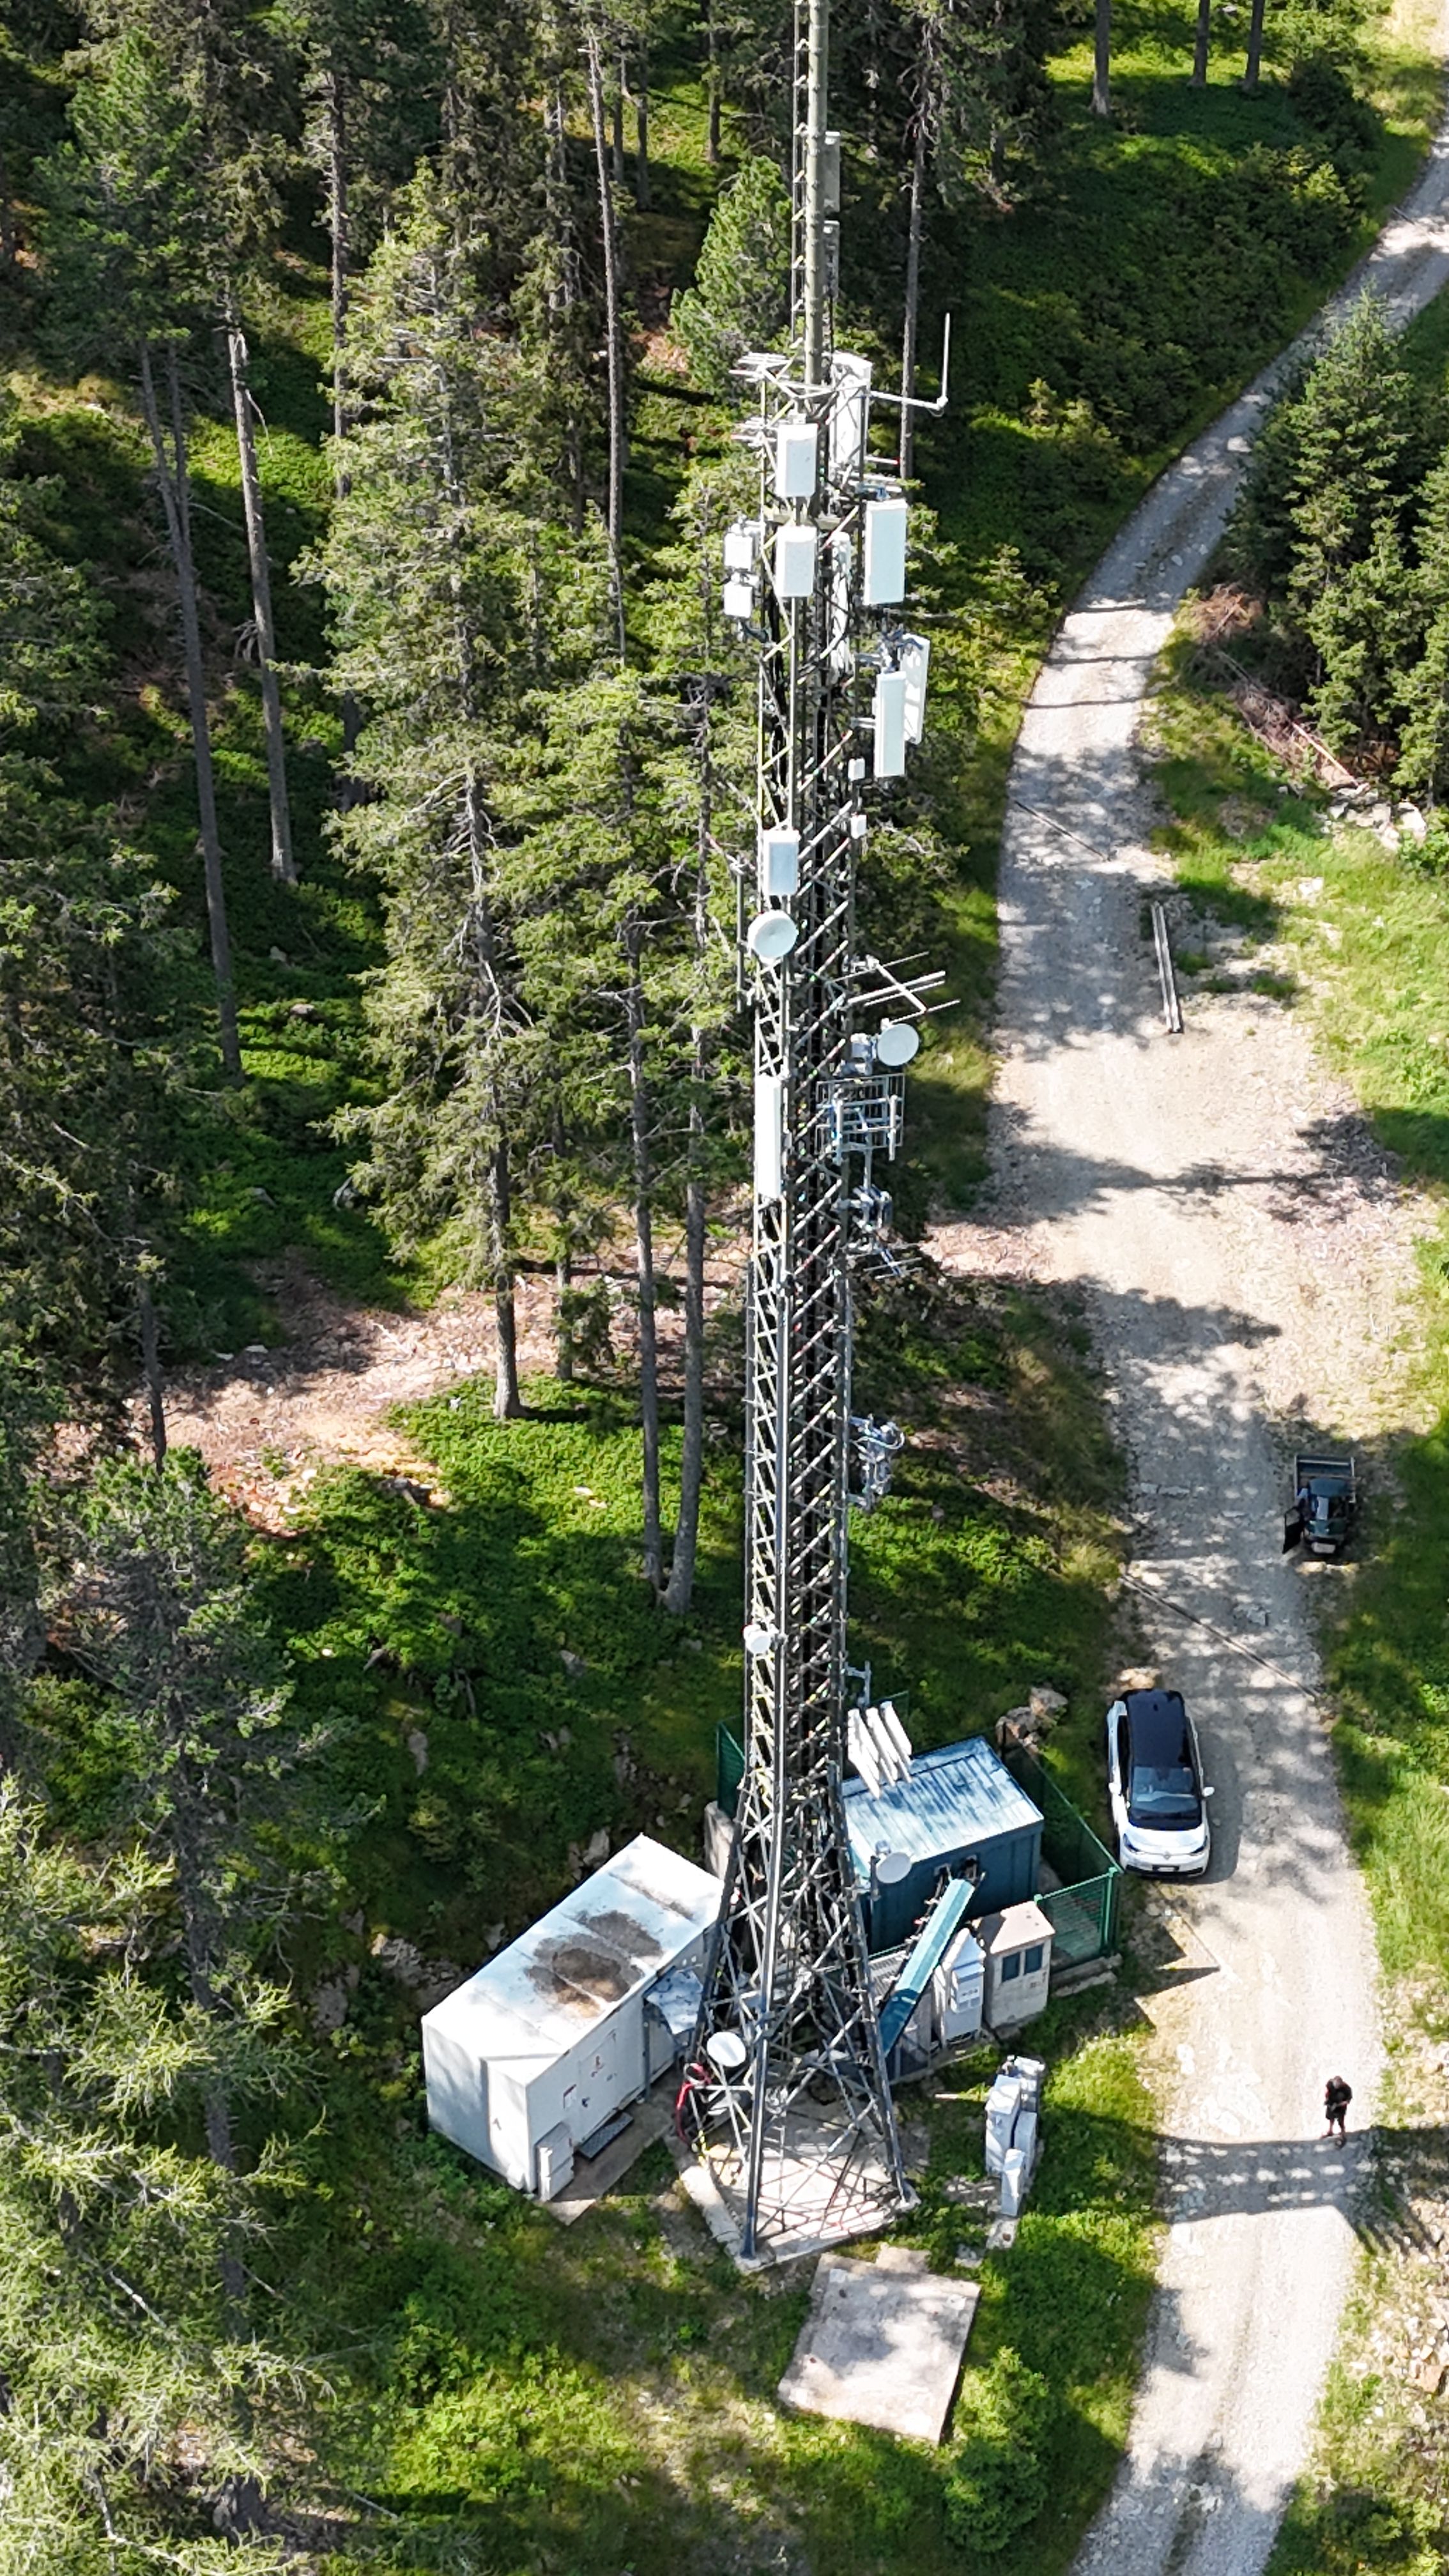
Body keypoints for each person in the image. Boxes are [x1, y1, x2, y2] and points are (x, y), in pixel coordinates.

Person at [1323, 2074, 1353, 2147]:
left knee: (1341, 2120)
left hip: (1341, 2106)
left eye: (1338, 2087)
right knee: (1331, 2117)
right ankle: (1330, 2130)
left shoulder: (1347, 2089)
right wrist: (1327, 2100)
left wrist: (1337, 2105)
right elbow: (1327, 2091)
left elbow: (1347, 2101)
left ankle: (1343, 2132)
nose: (1336, 2088)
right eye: (1335, 2086)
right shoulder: (1330, 2084)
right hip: (1332, 2102)